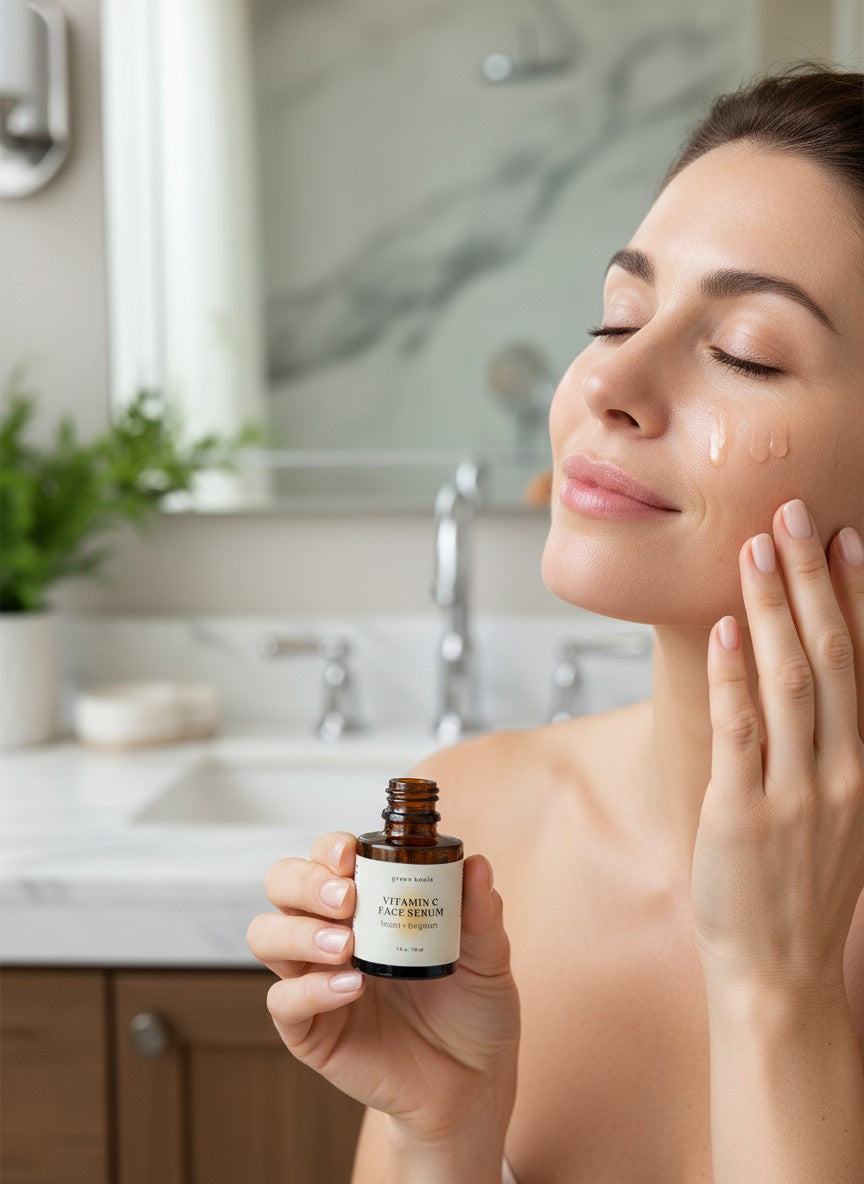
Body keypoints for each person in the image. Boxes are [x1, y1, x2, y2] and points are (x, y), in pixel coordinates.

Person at [247, 63, 864, 1183]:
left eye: (746, 351)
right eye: (617, 312)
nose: (607, 377)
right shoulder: (484, 832)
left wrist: (782, 991)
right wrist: (441, 1133)